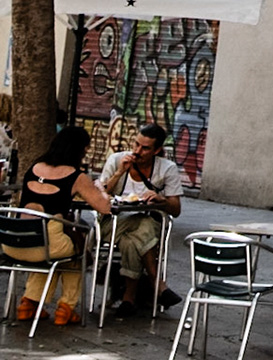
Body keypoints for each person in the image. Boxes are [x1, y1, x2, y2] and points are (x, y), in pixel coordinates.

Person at [5, 125, 113, 325]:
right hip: (48, 245)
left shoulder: (34, 167)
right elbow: (104, 207)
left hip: (14, 244)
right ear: (79, 150)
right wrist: (98, 187)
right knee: (76, 253)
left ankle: (29, 303)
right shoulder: (76, 176)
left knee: (53, 248)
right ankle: (66, 308)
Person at [97, 122, 184, 316]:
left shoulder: (166, 169)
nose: (137, 151)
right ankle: (157, 284)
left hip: (146, 223)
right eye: (136, 144)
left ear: (157, 150)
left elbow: (176, 209)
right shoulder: (117, 159)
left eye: (145, 148)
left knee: (133, 238)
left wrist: (161, 200)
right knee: (143, 228)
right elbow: (101, 196)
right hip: (114, 223)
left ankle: (128, 299)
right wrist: (119, 172)